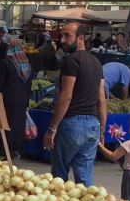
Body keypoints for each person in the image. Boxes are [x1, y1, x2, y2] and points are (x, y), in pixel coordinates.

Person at [44, 22, 107, 186]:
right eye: (61, 36)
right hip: (92, 125)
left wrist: (52, 128)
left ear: (80, 38)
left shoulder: (70, 61)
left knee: (59, 176)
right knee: (85, 179)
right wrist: (102, 131)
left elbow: (66, 96)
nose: (62, 40)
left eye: (67, 36)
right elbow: (102, 99)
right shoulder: (96, 62)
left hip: (72, 125)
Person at [0, 32, 33, 157]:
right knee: (18, 126)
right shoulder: (27, 66)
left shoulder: (6, 63)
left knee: (6, 125)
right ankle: (16, 150)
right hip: (22, 100)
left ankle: (6, 152)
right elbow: (29, 86)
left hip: (7, 100)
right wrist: (27, 102)